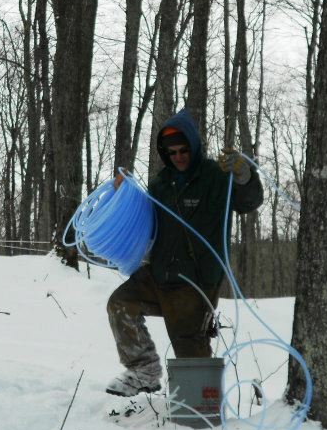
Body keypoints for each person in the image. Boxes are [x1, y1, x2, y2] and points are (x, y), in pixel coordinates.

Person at [105, 108, 264, 397]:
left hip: (195, 281)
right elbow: (145, 221)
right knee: (120, 305)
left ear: (193, 146)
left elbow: (248, 202)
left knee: (190, 353)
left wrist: (244, 176)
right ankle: (144, 370)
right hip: (159, 272)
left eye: (183, 150)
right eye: (172, 152)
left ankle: (201, 409)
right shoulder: (160, 184)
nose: (178, 157)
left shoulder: (216, 177)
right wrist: (123, 195)